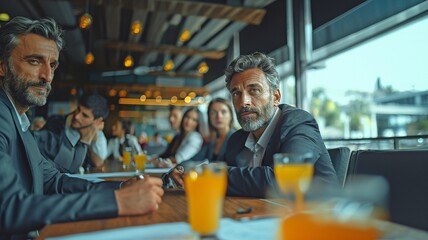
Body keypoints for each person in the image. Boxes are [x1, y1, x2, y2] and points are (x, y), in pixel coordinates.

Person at [0, 17, 163, 238]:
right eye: (34, 61)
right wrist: (115, 201)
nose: (47, 76)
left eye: (53, 65)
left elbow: (53, 181)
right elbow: (8, 209)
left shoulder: (18, 120)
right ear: (2, 66)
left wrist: (121, 188)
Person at [170, 52, 338, 197]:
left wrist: (205, 173)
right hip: (258, 220)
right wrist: (182, 171)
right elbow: (216, 166)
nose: (244, 102)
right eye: (236, 93)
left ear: (276, 97)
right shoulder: (238, 139)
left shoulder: (298, 123)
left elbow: (284, 181)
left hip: (317, 223)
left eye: (254, 90)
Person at [34, 93, 108, 173]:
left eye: (85, 116)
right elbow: (69, 169)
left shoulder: (92, 131)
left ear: (97, 121)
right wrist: (84, 141)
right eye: (78, 109)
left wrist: (89, 139)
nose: (77, 116)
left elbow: (98, 163)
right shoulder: (55, 124)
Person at [189, 98, 235, 162]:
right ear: (209, 117)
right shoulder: (212, 140)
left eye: (223, 112)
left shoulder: (236, 138)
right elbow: (194, 160)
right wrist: (180, 168)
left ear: (231, 116)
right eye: (213, 113)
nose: (219, 116)